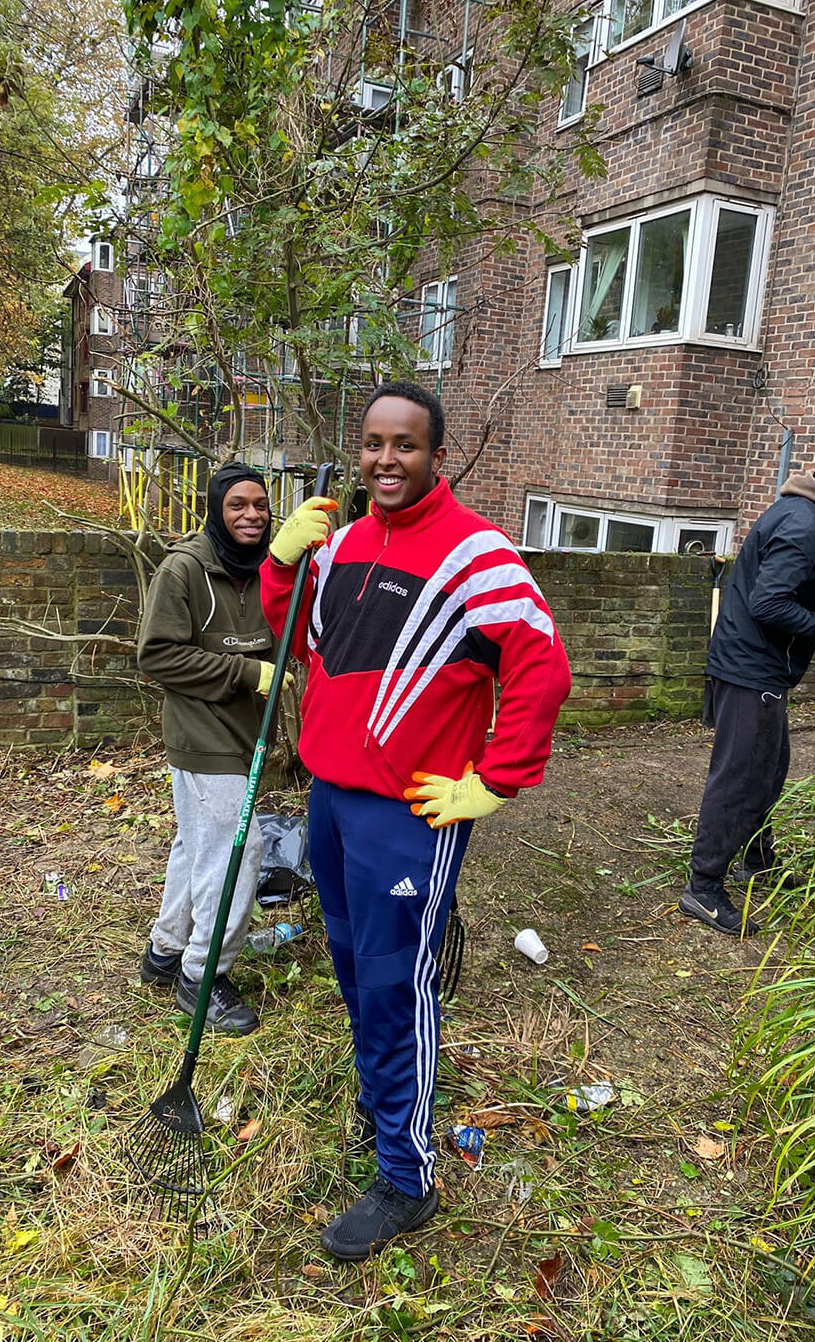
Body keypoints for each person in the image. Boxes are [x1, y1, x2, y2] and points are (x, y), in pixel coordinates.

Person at [260, 381, 571, 1260]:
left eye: (404, 444)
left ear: (436, 454)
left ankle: (407, 1178)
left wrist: (497, 780)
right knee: (356, 968)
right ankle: (381, 1099)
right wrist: (282, 566)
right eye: (372, 443)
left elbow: (542, 668)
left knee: (399, 983)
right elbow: (300, 645)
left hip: (410, 814)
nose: (384, 459)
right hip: (331, 799)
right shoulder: (343, 544)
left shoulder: (479, 554)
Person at [679, 441, 815, 938]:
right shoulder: (804, 523)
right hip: (751, 670)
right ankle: (703, 888)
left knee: (770, 767)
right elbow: (769, 604)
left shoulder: (800, 513)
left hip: (756, 668)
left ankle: (758, 860)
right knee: (740, 777)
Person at [137, 462, 290, 1032]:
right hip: (203, 736)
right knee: (235, 854)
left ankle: (166, 950)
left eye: (260, 504)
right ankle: (202, 974)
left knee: (195, 845)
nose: (252, 515)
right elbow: (156, 656)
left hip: (246, 733)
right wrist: (247, 673)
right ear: (216, 511)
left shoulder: (270, 568)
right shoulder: (183, 571)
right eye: (238, 506)